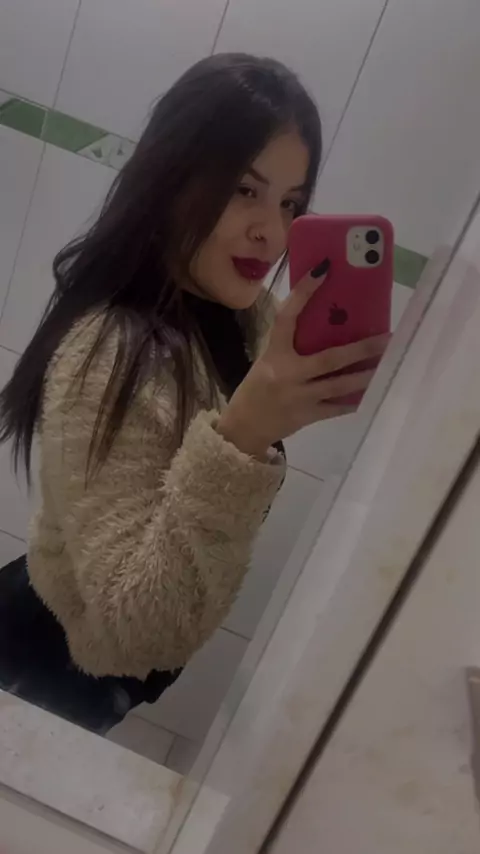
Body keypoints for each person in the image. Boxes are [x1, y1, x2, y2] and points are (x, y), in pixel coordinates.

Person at [0, 54, 387, 734]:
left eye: (291, 203)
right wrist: (244, 438)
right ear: (172, 178)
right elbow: (132, 635)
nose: (273, 232)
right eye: (244, 190)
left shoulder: (246, 316)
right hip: (42, 664)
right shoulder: (108, 349)